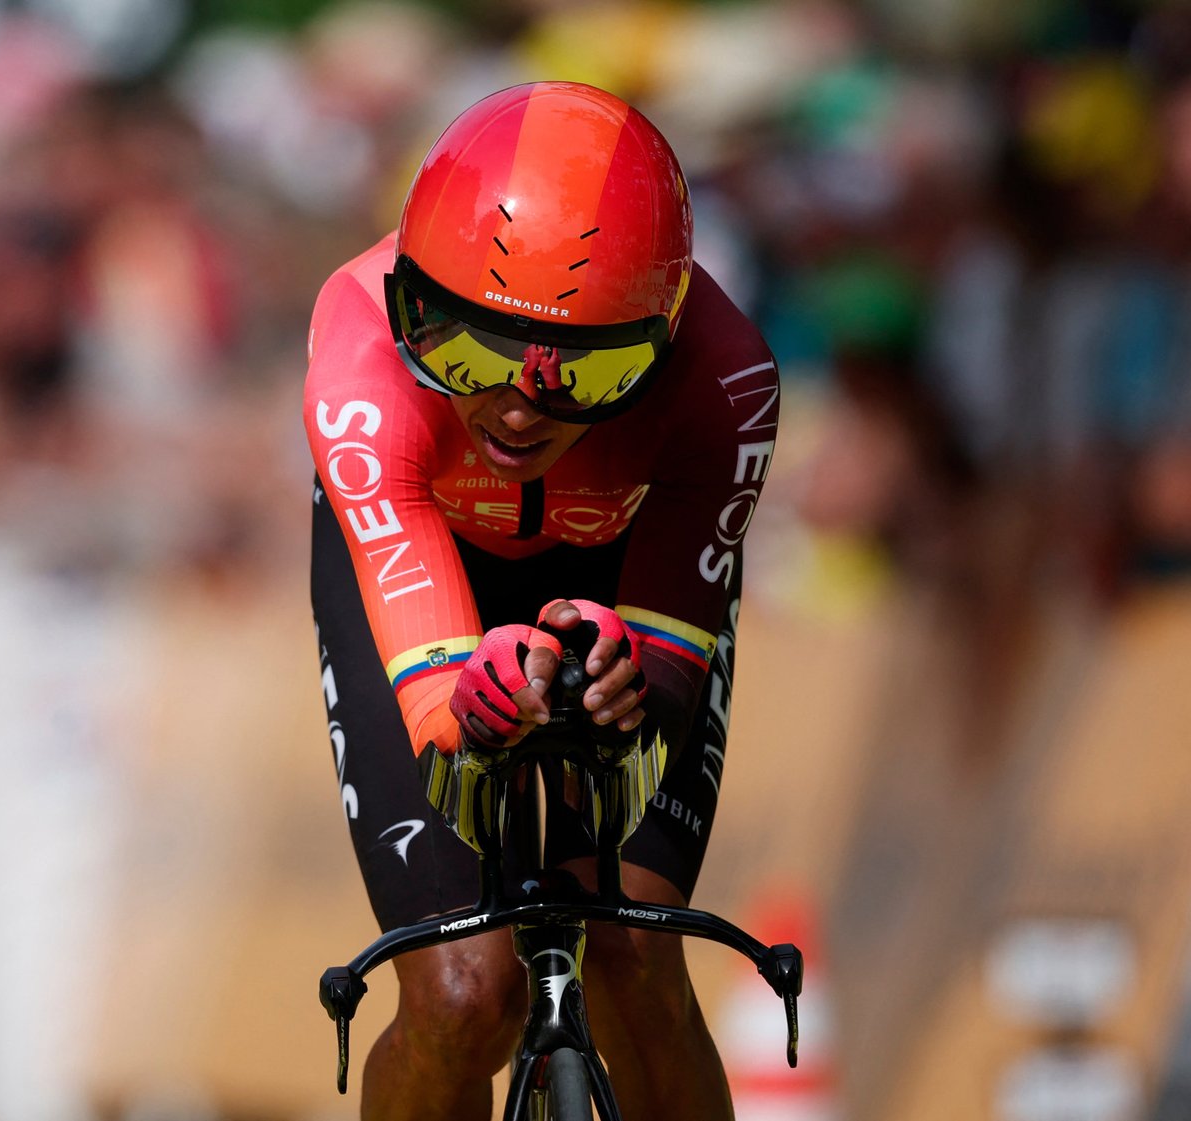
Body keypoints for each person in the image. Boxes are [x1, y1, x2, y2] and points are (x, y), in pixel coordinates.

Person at [304, 81, 780, 1121]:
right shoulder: (359, 349)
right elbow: (437, 701)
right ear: (412, 307)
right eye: (466, 353)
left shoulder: (726, 379)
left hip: (623, 575)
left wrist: (634, 675)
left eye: (585, 373)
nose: (517, 408)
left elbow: (665, 671)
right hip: (429, 565)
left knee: (634, 959)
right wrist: (462, 701)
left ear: (661, 341)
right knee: (461, 994)